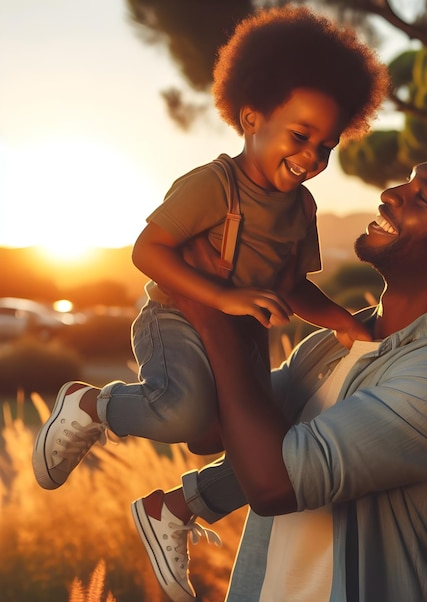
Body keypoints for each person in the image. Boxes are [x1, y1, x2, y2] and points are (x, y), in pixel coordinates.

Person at [130, 140, 427, 602]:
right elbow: (209, 432)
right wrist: (234, 288)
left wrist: (211, 311)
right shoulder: (336, 342)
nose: (391, 193)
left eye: (422, 198)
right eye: (407, 181)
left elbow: (274, 485)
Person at [32, 4, 390, 491]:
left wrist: (343, 321)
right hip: (175, 317)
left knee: (227, 438)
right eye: (301, 135)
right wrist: (223, 297)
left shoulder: (302, 208)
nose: (311, 157)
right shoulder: (214, 186)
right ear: (251, 118)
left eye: (326, 146)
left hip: (240, 332)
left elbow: (292, 286)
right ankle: (90, 404)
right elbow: (147, 251)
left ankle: (176, 509)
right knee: (181, 415)